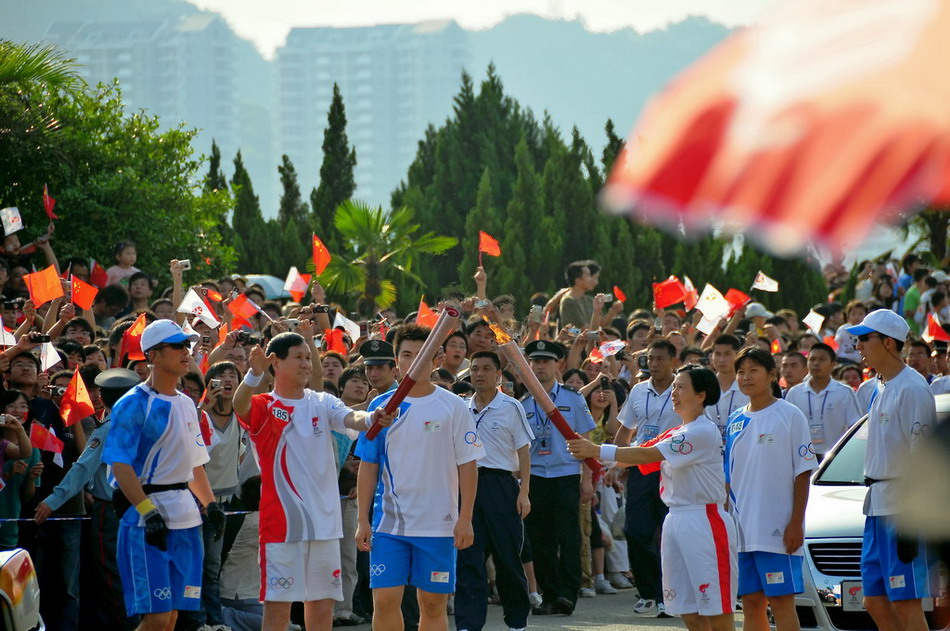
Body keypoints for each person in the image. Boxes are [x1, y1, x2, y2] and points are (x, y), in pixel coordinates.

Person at [233, 329, 391, 631]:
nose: (307, 364)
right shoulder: (265, 406)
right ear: (275, 363)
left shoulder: (320, 402)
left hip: (324, 525)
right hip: (282, 526)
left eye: (309, 357)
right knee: (278, 610)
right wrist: (252, 375)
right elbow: (239, 405)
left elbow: (350, 418)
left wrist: (372, 417)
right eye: (299, 358)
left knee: (321, 609)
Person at [568, 364, 739, 631]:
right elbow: (638, 453)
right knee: (687, 609)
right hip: (675, 520)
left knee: (715, 608)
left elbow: (648, 455)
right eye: (674, 387)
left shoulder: (701, 431)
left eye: (680, 387)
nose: (674, 393)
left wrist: (596, 448)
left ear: (701, 395)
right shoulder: (676, 432)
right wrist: (598, 457)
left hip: (704, 521)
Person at [355, 324, 483, 631]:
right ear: (397, 360)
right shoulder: (380, 407)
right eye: (407, 355)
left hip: (438, 525)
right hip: (389, 524)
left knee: (433, 604)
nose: (414, 362)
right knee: (385, 602)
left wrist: (465, 519)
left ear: (436, 358)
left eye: (421, 355)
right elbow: (368, 465)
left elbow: (468, 466)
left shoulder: (453, 406)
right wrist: (362, 520)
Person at [102, 320, 226, 631]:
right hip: (147, 520)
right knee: (156, 617)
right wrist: (147, 511)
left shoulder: (186, 404)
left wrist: (210, 505)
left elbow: (194, 463)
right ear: (153, 356)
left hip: (186, 518)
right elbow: (120, 464)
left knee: (172, 617)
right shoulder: (132, 404)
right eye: (177, 346)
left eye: (187, 345)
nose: (186, 352)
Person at [34, 368, 142, 630]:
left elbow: (83, 467)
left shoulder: (110, 427)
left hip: (111, 512)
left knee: (112, 577)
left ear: (102, 398)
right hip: (143, 509)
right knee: (135, 577)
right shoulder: (145, 424)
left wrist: (52, 501)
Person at [848, 309, 936, 631]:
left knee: (906, 602)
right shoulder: (879, 387)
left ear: (887, 343)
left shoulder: (912, 388)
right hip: (877, 505)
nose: (858, 345)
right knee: (874, 601)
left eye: (864, 338)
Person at [724, 347, 818, 631]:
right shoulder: (735, 420)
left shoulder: (789, 414)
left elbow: (803, 472)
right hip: (742, 530)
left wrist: (795, 522)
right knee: (751, 603)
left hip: (776, 531)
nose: (745, 377)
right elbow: (730, 477)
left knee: (780, 604)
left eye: (753, 370)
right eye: (740, 372)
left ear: (772, 375)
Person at [455, 350, 533, 631]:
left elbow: (524, 452)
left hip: (501, 485)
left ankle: (516, 621)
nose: (479, 373)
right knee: (468, 558)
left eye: (486, 368)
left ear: (498, 374)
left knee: (508, 558)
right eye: (475, 368)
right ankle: (468, 624)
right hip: (466, 486)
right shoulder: (460, 408)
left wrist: (523, 492)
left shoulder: (511, 406)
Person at [520, 339, 595, 616]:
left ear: (557, 365)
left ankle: (567, 594)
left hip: (565, 475)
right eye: (535, 361)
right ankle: (549, 595)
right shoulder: (524, 401)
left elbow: (586, 439)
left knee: (569, 538)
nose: (540, 366)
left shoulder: (572, 398)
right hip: (537, 477)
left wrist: (587, 479)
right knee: (541, 540)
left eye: (545, 361)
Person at [613, 339, 680, 617]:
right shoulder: (639, 391)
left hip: (674, 469)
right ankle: (650, 591)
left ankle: (671, 594)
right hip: (641, 468)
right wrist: (615, 463)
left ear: (673, 361)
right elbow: (625, 431)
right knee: (636, 530)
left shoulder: (684, 388)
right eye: (650, 359)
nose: (653, 364)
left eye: (660, 359)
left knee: (670, 535)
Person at [785, 343, 862, 459]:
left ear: (833, 365)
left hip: (834, 457)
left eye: (822, 359)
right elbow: (787, 427)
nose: (816, 363)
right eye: (812, 359)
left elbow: (855, 427)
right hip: (802, 457)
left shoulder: (844, 392)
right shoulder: (795, 393)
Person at [705, 334, 749, 438]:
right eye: (717, 354)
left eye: (727, 354)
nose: (721, 359)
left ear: (737, 355)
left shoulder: (748, 387)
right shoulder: (704, 387)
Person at [558, 260, 600, 328]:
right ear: (578, 280)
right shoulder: (569, 301)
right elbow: (582, 329)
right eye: (588, 276)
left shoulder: (587, 300)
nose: (591, 280)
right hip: (573, 337)